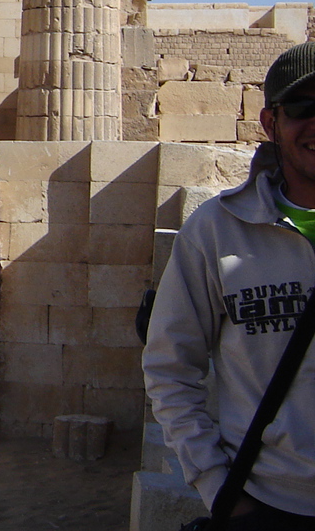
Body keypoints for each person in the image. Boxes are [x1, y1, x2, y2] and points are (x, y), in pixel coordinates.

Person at [143, 41, 315, 529]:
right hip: (269, 503)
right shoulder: (216, 231)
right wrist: (218, 487)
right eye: (303, 108)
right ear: (270, 122)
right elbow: (170, 367)